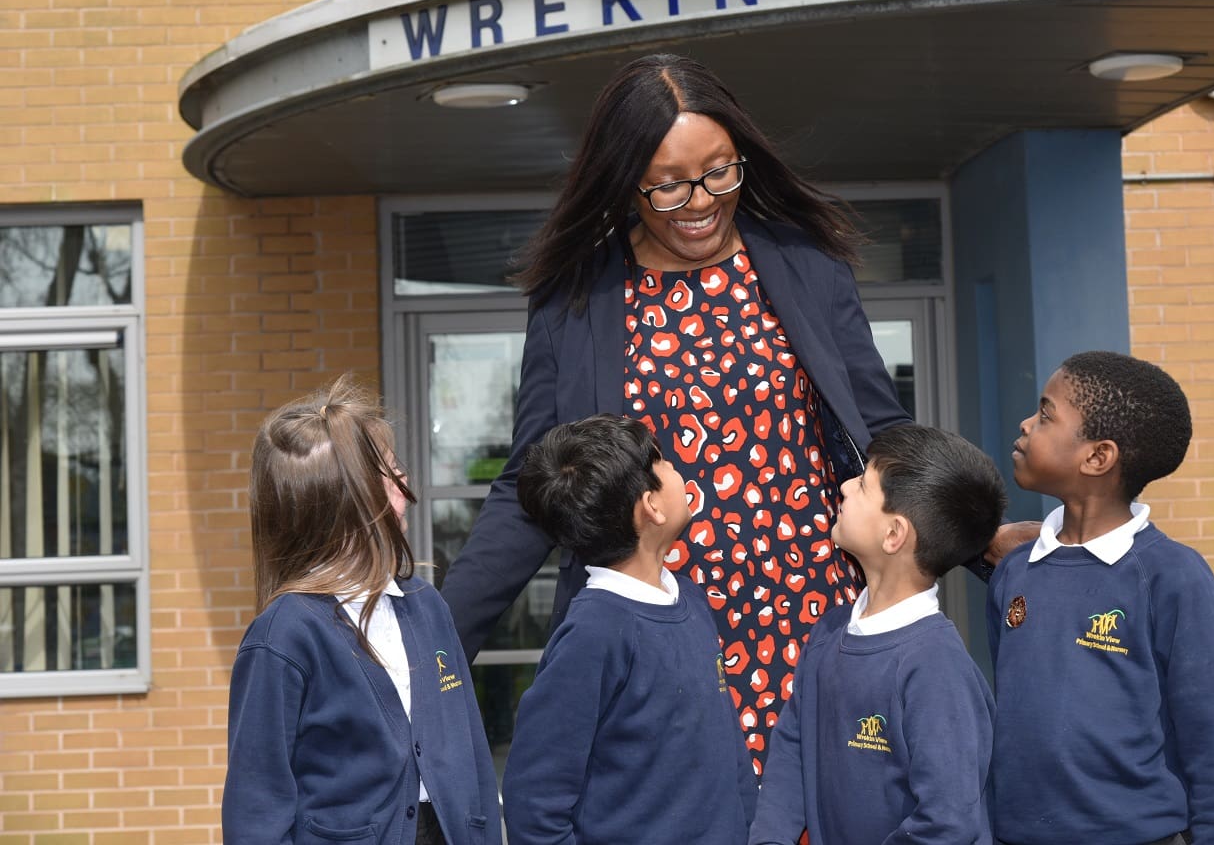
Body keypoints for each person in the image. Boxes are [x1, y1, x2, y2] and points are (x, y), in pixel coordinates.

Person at [440, 51, 1037, 771]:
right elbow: (532, 482)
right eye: (668, 187)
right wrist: (435, 639)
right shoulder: (576, 298)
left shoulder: (802, 262)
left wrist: (978, 541)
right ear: (624, 183)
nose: (699, 201)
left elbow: (882, 434)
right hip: (662, 635)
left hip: (811, 616)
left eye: (719, 171)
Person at [223, 375, 502, 845]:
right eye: (390, 472)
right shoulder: (283, 637)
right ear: (347, 504)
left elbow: (472, 752)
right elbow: (257, 805)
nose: (405, 481)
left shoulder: (426, 606)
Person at [989, 351, 1214, 845]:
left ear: (1097, 456)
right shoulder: (1013, 573)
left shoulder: (1172, 577)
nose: (1026, 424)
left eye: (1046, 415)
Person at [501, 415, 757, 844]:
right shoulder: (594, 632)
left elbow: (727, 750)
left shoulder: (689, 599)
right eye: (661, 464)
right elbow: (535, 799)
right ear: (650, 507)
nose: (675, 469)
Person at [750, 424, 1005, 845]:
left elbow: (947, 822)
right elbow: (793, 748)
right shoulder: (830, 632)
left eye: (864, 485)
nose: (847, 485)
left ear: (893, 535)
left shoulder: (936, 669)